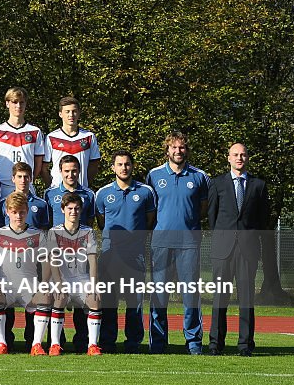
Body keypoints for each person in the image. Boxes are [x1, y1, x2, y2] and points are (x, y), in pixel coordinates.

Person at [146, 131, 210, 355]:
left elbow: (203, 209)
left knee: (190, 294)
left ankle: (193, 341)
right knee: (159, 293)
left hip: (189, 243)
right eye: (174, 147)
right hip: (161, 243)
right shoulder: (153, 176)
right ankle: (158, 342)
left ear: (187, 150)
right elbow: (151, 210)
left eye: (182, 147)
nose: (178, 151)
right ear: (167, 150)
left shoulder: (200, 177)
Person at [208, 143, 269, 356]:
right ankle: (215, 344)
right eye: (235, 154)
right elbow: (212, 218)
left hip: (247, 250)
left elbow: (262, 221)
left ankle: (245, 345)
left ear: (247, 157)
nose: (239, 158)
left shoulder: (258, 186)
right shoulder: (216, 184)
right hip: (223, 251)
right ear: (228, 158)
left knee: (246, 300)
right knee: (219, 299)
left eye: (243, 154)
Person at [95, 150, 156, 354]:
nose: (124, 168)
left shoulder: (146, 192)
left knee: (134, 302)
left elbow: (149, 221)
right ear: (113, 167)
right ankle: (108, 341)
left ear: (133, 166)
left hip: (135, 256)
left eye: (127, 164)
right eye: (119, 164)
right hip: (110, 256)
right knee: (109, 301)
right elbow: (101, 222)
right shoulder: (102, 193)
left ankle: (133, 343)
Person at [38, 192, 103, 356]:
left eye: (76, 209)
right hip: (61, 278)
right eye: (70, 209)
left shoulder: (88, 232)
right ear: (63, 210)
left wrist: (94, 285)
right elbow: (52, 261)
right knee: (58, 298)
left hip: (81, 278)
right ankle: (55, 344)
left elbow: (93, 260)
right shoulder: (54, 232)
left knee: (95, 299)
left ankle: (93, 346)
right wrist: (58, 283)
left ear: (81, 210)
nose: (73, 212)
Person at [0, 193, 44, 354]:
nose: (18, 216)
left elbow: (46, 264)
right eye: (14, 212)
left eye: (21, 212)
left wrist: (44, 286)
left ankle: (36, 344)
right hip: (7, 285)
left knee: (44, 298)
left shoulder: (38, 235)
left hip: (29, 284)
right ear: (7, 212)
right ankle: (2, 344)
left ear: (27, 211)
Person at [0, 87, 46, 197]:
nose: (18, 106)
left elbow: (38, 163)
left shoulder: (35, 131)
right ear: (7, 103)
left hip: (26, 187)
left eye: (21, 102)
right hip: (3, 187)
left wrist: (28, 180)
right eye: (14, 102)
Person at [43, 96, 100, 189]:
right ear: (60, 114)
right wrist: (51, 187)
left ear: (79, 113)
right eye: (67, 112)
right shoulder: (51, 137)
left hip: (81, 191)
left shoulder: (89, 136)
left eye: (74, 111)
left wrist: (85, 184)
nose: (71, 115)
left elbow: (94, 165)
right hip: (58, 192)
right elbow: (44, 168)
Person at [45, 155, 96, 227]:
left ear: (79, 171)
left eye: (74, 171)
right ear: (60, 171)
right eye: (67, 171)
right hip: (56, 237)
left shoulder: (89, 194)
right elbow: (47, 221)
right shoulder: (49, 193)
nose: (70, 175)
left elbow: (90, 221)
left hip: (81, 237)